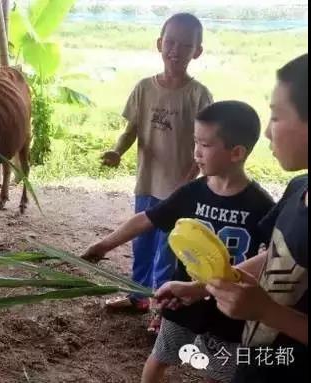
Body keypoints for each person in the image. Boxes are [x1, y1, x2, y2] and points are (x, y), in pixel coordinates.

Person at [84, 100, 275, 382]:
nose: (196, 152)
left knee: (221, 372)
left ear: (236, 152)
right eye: (195, 142)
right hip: (182, 299)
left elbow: (277, 254)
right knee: (161, 357)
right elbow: (147, 218)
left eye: (205, 145)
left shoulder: (261, 204)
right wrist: (103, 245)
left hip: (230, 306)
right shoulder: (191, 193)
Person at [156, 53, 308, 382]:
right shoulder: (299, 188)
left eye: (277, 117)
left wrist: (268, 312)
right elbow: (275, 256)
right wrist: (199, 288)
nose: (267, 133)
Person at [100, 13, 213, 329]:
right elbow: (131, 129)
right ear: (159, 44)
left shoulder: (198, 95)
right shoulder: (144, 88)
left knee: (168, 252)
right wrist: (117, 150)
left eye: (185, 45)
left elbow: (203, 145)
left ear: (197, 51)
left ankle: (162, 313)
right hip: (147, 185)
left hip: (178, 191)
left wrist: (187, 183)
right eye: (171, 42)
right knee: (143, 246)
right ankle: (138, 298)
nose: (176, 50)